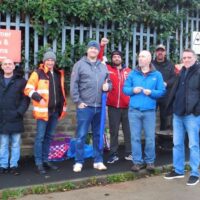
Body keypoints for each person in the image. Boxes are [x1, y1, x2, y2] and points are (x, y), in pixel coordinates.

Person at [70, 40, 112, 172]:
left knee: (98, 135)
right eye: (91, 48)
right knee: (81, 135)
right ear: (87, 50)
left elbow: (109, 82)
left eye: (96, 49)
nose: (93, 50)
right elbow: (73, 84)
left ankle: (98, 160)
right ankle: (78, 161)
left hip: (100, 106)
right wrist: (77, 101)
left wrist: (108, 86)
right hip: (85, 106)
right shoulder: (79, 65)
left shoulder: (103, 66)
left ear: (98, 51)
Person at [24, 49, 67, 175]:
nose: (50, 62)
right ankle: (38, 163)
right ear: (44, 61)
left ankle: (46, 160)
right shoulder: (38, 73)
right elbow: (28, 89)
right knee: (40, 138)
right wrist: (39, 98)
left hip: (55, 112)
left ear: (54, 61)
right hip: (43, 112)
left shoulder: (58, 74)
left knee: (49, 137)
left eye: (52, 60)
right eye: (48, 59)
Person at [123, 50, 165, 172]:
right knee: (135, 137)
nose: (140, 59)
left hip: (149, 111)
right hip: (134, 111)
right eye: (139, 56)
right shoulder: (133, 73)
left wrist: (151, 92)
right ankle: (137, 162)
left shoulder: (157, 75)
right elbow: (125, 89)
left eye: (143, 56)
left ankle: (150, 161)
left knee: (150, 137)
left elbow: (162, 91)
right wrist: (133, 90)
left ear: (149, 59)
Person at [164, 49, 200, 186]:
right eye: (184, 57)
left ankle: (195, 173)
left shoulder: (198, 72)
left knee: (193, 145)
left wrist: (197, 110)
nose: (186, 60)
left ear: (195, 58)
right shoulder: (181, 72)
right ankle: (178, 170)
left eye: (189, 57)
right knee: (177, 144)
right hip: (178, 115)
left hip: (192, 116)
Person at [98, 38, 132, 164]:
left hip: (127, 106)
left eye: (118, 57)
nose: (116, 58)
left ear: (121, 59)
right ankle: (113, 154)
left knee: (128, 131)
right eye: (114, 57)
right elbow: (99, 57)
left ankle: (129, 153)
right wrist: (102, 46)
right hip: (113, 106)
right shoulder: (107, 69)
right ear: (112, 59)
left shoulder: (129, 71)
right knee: (114, 131)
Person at [0, 58, 30, 175]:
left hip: (16, 117)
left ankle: (13, 165)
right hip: (2, 117)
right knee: (3, 143)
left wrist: (19, 112)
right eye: (5, 64)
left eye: (10, 64)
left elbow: (25, 99)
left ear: (14, 66)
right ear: (2, 67)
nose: (7, 66)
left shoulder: (22, 81)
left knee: (16, 143)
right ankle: (3, 165)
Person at [152, 44, 176, 132]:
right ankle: (151, 138)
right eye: (158, 51)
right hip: (153, 95)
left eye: (162, 51)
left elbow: (174, 78)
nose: (160, 52)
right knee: (150, 116)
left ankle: (163, 141)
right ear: (155, 52)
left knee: (164, 118)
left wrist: (166, 83)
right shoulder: (151, 64)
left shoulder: (170, 64)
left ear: (165, 52)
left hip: (166, 95)